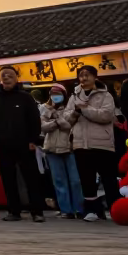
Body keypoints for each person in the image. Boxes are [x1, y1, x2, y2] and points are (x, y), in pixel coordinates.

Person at [0, 67, 45, 222]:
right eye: (3, 75)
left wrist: (34, 140)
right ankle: (14, 211)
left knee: (31, 178)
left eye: (10, 75)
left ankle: (37, 211)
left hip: (25, 144)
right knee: (8, 179)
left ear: (16, 78)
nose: (6, 77)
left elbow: (34, 120)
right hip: (3, 145)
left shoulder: (25, 97)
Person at [69, 66, 120, 222]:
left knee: (108, 178)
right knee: (86, 178)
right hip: (81, 144)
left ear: (95, 77)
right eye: (81, 75)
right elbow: (66, 119)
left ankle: (115, 208)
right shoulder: (74, 96)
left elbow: (105, 116)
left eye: (87, 75)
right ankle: (92, 210)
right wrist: (75, 112)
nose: (84, 78)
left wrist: (84, 108)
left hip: (102, 143)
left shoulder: (106, 95)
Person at [40, 83, 83, 218]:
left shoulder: (70, 107)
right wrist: (57, 122)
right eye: (53, 93)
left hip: (69, 147)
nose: (55, 96)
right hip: (51, 148)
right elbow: (43, 127)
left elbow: (68, 126)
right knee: (59, 180)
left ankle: (79, 209)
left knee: (75, 180)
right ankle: (66, 210)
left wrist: (56, 119)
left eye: (58, 93)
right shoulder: (44, 108)